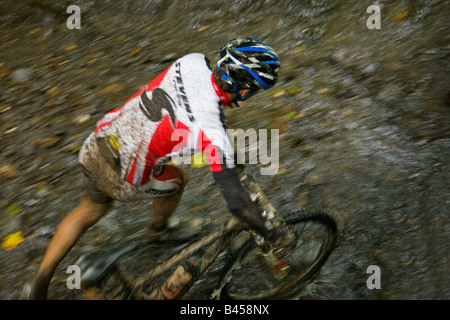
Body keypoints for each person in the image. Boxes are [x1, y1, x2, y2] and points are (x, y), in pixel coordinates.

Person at [28, 37, 291, 299]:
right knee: (178, 179)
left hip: (98, 143)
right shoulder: (212, 131)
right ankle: (158, 229)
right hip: (124, 177)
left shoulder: (192, 61)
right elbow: (237, 204)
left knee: (90, 208)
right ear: (245, 90)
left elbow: (190, 104)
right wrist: (273, 234)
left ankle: (38, 286)